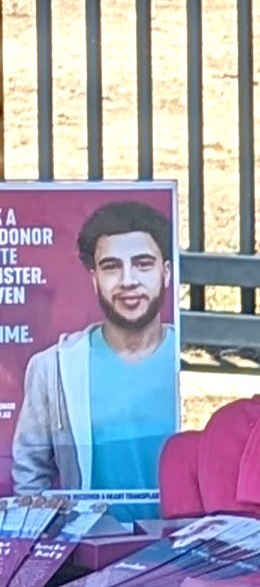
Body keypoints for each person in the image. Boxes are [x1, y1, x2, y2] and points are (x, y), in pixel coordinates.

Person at [13, 199, 179, 508]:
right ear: (94, 278)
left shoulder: (187, 364)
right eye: (111, 267)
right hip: (90, 549)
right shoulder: (53, 367)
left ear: (166, 272)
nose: (128, 280)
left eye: (143, 264)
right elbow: (30, 473)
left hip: (179, 545)